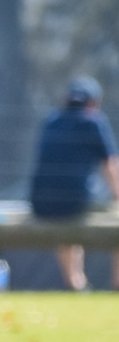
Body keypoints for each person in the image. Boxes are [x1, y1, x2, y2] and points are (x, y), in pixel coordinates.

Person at [28, 77, 119, 291]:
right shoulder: (93, 121)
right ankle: (117, 284)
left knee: (66, 222)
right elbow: (110, 166)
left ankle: (75, 284)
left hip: (40, 203)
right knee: (113, 218)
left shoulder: (51, 120)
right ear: (93, 102)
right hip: (74, 202)